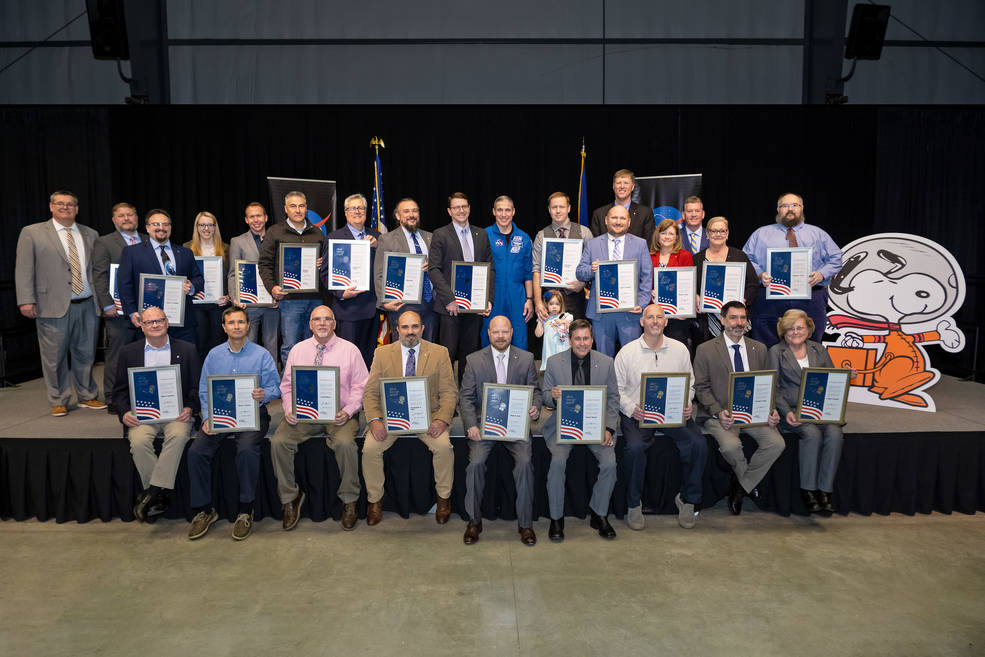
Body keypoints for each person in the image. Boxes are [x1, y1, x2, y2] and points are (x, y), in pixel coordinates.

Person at [186, 305, 280, 540]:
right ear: (224, 327)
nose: (236, 327)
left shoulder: (262, 354)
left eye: (240, 322)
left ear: (248, 325)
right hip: (220, 414)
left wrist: (264, 395)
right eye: (231, 323)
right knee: (196, 451)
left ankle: (245, 509)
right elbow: (204, 391)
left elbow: (276, 387)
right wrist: (207, 417)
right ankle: (205, 510)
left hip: (253, 413)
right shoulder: (214, 355)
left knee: (247, 450)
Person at [270, 305, 367, 531]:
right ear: (310, 324)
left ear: (334, 323)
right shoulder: (298, 350)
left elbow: (361, 386)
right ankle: (290, 498)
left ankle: (349, 500)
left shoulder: (350, 350)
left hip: (339, 414)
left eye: (327, 319)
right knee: (278, 442)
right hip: (303, 414)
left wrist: (349, 410)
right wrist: (288, 409)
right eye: (317, 319)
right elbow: (287, 386)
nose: (322, 323)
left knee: (345, 444)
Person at [614, 304, 706, 530]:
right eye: (650, 317)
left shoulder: (680, 349)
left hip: (673, 412)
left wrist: (687, 402)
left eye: (660, 317)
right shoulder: (627, 352)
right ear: (641, 322)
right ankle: (634, 504)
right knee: (634, 448)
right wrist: (631, 409)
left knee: (698, 444)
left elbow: (690, 382)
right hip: (638, 413)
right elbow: (616, 390)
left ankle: (688, 499)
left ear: (666, 322)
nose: (655, 321)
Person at [361, 310, 457, 526]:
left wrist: (441, 420)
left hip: (429, 417)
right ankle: (374, 501)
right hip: (392, 417)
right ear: (397, 330)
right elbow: (370, 393)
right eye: (405, 327)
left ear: (423, 328)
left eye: (415, 327)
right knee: (369, 449)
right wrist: (375, 420)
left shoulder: (440, 353)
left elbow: (449, 392)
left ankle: (443, 499)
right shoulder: (382, 353)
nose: (410, 332)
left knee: (444, 448)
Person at [15, 190, 106, 416]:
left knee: (86, 354)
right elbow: (24, 268)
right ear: (51, 207)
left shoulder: (91, 233)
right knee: (54, 357)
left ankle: (87, 395)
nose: (65, 207)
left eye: (70, 204)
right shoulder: (32, 233)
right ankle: (58, 399)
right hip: (51, 304)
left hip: (87, 303)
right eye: (60, 204)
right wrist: (26, 300)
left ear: (77, 209)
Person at [693, 301, 785, 515]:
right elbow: (700, 387)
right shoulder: (705, 349)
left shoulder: (759, 348)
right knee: (730, 447)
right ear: (723, 320)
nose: (739, 323)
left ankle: (741, 486)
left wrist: (771, 410)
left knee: (777, 443)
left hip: (754, 413)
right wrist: (718, 411)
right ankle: (750, 483)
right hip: (720, 415)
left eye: (743, 318)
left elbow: (767, 384)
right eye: (733, 318)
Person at [112, 306, 200, 523]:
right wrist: (124, 413)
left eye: (159, 320)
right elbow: (119, 391)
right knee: (139, 441)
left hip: (177, 414)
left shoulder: (187, 349)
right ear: (141, 326)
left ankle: (151, 493)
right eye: (150, 322)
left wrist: (189, 407)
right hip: (142, 415)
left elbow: (196, 388)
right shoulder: (128, 352)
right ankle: (158, 494)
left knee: (179, 436)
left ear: (167, 322)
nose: (155, 325)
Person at [459, 316, 541, 546]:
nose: (501, 336)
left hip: (516, 426)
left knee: (525, 463)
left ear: (512, 333)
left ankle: (525, 524)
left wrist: (534, 407)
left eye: (505, 332)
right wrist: (471, 426)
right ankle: (474, 521)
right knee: (475, 464)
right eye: (496, 332)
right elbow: (465, 398)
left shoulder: (525, 359)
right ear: (489, 333)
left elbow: (535, 391)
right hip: (483, 427)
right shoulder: (473, 361)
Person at [541, 319, 621, 541]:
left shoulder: (606, 362)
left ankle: (599, 513)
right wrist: (553, 395)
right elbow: (545, 395)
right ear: (570, 340)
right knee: (557, 464)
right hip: (563, 426)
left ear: (592, 339)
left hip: (596, 426)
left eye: (586, 338)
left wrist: (608, 429)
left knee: (610, 464)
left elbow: (614, 398)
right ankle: (557, 519)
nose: (582, 343)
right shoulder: (554, 362)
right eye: (578, 338)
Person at [768, 309, 845, 514]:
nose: (795, 332)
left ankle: (825, 490)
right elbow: (773, 387)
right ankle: (808, 490)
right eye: (790, 328)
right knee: (811, 434)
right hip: (791, 411)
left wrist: (846, 375)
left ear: (808, 328)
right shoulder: (776, 351)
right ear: (783, 331)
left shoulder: (819, 349)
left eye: (800, 327)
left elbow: (831, 379)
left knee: (835, 433)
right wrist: (785, 412)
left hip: (819, 409)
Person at [742, 193, 843, 348]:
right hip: (770, 297)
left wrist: (822, 274)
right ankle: (770, 372)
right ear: (778, 209)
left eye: (795, 205)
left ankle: (807, 372)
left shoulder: (818, 234)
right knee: (765, 342)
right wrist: (760, 274)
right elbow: (746, 258)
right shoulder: (761, 234)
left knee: (812, 342)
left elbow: (836, 257)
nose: (790, 209)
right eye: (785, 205)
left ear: (802, 208)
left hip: (811, 295)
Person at [428, 192, 493, 384]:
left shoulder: (481, 234)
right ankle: (447, 398)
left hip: (474, 307)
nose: (461, 210)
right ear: (449, 211)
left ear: (469, 208)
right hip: (450, 308)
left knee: (470, 355)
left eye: (464, 206)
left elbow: (490, 268)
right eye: (456, 207)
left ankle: (467, 395)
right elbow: (434, 269)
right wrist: (449, 299)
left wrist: (488, 299)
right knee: (447, 354)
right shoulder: (440, 234)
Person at [575, 205, 652, 357]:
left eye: (622, 218)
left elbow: (646, 277)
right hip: (601, 313)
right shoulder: (593, 244)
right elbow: (579, 273)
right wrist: (592, 269)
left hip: (630, 313)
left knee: (632, 358)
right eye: (614, 218)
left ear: (629, 222)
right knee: (604, 360)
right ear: (606, 220)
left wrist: (641, 303)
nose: (618, 221)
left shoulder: (640, 244)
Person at [118, 208, 204, 344]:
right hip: (150, 321)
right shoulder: (132, 252)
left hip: (182, 321)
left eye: (165, 224)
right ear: (147, 228)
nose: (161, 228)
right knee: (152, 361)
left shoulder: (185, 252)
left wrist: (192, 286)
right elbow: (124, 285)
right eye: (156, 224)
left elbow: (198, 278)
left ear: (170, 227)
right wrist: (131, 312)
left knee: (184, 361)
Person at [258, 191, 325, 366]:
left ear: (306, 208)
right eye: (293, 206)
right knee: (291, 347)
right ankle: (291, 387)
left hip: (315, 299)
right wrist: (272, 287)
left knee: (316, 345)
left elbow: (326, 265)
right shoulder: (275, 232)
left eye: (301, 205)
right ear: (286, 209)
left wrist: (323, 262)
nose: (298, 210)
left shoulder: (317, 233)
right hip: (289, 301)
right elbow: (264, 264)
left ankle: (313, 382)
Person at [92, 202, 146, 414]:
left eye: (130, 215)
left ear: (137, 218)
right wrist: (106, 304)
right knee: (117, 353)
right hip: (118, 310)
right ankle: (114, 398)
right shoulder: (104, 243)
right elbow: (100, 275)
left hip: (144, 309)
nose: (126, 219)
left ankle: (140, 395)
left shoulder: (147, 239)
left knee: (144, 353)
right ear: (114, 220)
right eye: (121, 216)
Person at [321, 193, 382, 369]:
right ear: (346, 213)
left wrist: (377, 247)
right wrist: (341, 293)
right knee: (347, 359)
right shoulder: (334, 237)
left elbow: (384, 267)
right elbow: (325, 273)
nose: (357, 212)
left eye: (361, 208)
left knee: (368, 357)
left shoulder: (376, 236)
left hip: (372, 307)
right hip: (347, 309)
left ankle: (365, 394)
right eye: (353, 208)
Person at [373, 198, 436, 342]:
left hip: (430, 304)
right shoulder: (387, 239)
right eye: (406, 211)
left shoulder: (431, 237)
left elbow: (441, 268)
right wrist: (384, 301)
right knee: (404, 350)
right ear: (398, 216)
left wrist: (432, 265)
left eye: (414, 210)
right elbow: (379, 274)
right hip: (402, 304)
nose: (411, 214)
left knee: (429, 349)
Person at [227, 201, 279, 366]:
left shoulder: (276, 238)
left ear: (266, 217)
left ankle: (271, 377)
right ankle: (248, 376)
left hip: (272, 303)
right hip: (249, 304)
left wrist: (278, 295)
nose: (256, 220)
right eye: (252, 216)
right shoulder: (237, 241)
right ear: (246, 220)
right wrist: (235, 298)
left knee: (272, 344)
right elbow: (233, 273)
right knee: (249, 342)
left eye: (259, 216)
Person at [693, 216, 759, 342]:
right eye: (714, 231)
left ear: (727, 233)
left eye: (722, 231)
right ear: (707, 234)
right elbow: (690, 285)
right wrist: (695, 296)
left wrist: (743, 300)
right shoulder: (697, 259)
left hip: (736, 318)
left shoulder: (739, 256)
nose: (718, 234)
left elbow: (753, 284)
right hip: (707, 319)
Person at [532, 192, 593, 321]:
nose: (558, 211)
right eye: (554, 207)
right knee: (552, 339)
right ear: (549, 210)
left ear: (569, 208)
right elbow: (536, 270)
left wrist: (583, 283)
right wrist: (538, 302)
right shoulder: (541, 235)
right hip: (550, 299)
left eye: (562, 207)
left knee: (576, 338)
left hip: (575, 297)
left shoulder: (584, 232)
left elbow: (592, 265)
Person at [482, 196, 532, 349]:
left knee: (519, 338)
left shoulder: (523, 237)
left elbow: (528, 272)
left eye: (507, 210)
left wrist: (529, 299)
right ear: (494, 212)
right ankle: (488, 373)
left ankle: (519, 373)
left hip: (518, 296)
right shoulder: (485, 235)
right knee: (489, 335)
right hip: (492, 297)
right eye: (500, 210)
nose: (504, 214)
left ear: (513, 212)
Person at [184, 211, 230, 360]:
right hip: (196, 303)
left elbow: (231, 275)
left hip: (219, 304)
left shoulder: (226, 249)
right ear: (196, 227)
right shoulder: (186, 248)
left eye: (210, 225)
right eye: (202, 225)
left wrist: (229, 296)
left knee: (218, 342)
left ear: (215, 227)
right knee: (200, 342)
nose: (206, 229)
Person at [649, 218, 695, 346]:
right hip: (654, 313)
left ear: (676, 237)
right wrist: (649, 291)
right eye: (663, 233)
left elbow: (688, 286)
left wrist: (684, 311)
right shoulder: (649, 256)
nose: (667, 236)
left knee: (676, 350)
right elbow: (643, 282)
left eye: (671, 233)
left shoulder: (685, 256)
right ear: (657, 235)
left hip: (677, 315)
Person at [589, 169, 655, 244]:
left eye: (626, 183)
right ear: (613, 186)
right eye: (618, 183)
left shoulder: (645, 213)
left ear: (632, 187)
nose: (622, 186)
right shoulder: (599, 214)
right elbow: (595, 245)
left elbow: (649, 244)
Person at [534, 291, 572, 371]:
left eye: (557, 304)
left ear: (561, 305)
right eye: (551, 304)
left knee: (564, 369)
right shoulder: (545, 319)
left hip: (562, 348)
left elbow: (571, 328)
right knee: (551, 370)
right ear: (546, 305)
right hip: (549, 350)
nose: (554, 307)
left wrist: (563, 321)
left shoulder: (566, 316)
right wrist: (540, 321)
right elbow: (538, 334)